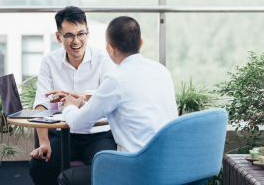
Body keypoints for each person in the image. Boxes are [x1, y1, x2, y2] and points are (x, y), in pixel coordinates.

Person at [57, 16, 178, 185]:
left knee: (67, 178)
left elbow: (78, 124)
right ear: (141, 43)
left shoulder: (115, 79)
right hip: (172, 168)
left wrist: (69, 106)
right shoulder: (162, 71)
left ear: (111, 49)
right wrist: (86, 105)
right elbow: (130, 108)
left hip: (139, 171)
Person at [28, 6, 117, 185]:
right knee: (38, 167)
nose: (76, 41)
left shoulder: (103, 59)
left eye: (81, 34)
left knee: (106, 171)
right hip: (65, 135)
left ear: (88, 33)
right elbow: (41, 104)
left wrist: (74, 97)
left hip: (98, 134)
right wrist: (44, 141)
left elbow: (108, 98)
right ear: (58, 36)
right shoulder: (49, 62)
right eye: (68, 35)